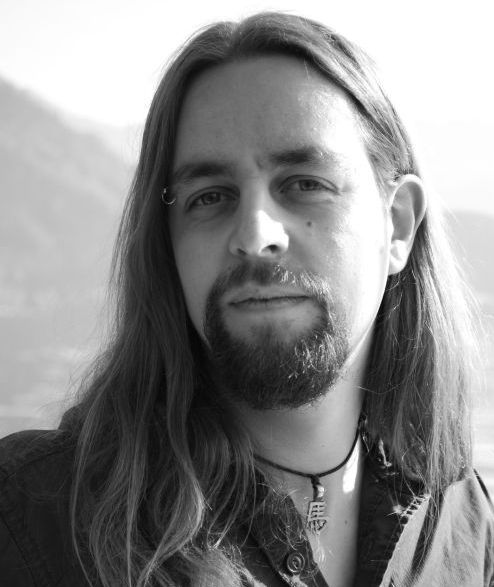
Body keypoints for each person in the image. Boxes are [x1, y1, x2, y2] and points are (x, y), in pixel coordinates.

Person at [0, 11, 492, 587]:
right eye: (210, 196)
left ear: (398, 226)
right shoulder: (33, 520)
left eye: (305, 184)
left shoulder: (465, 526)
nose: (256, 234)